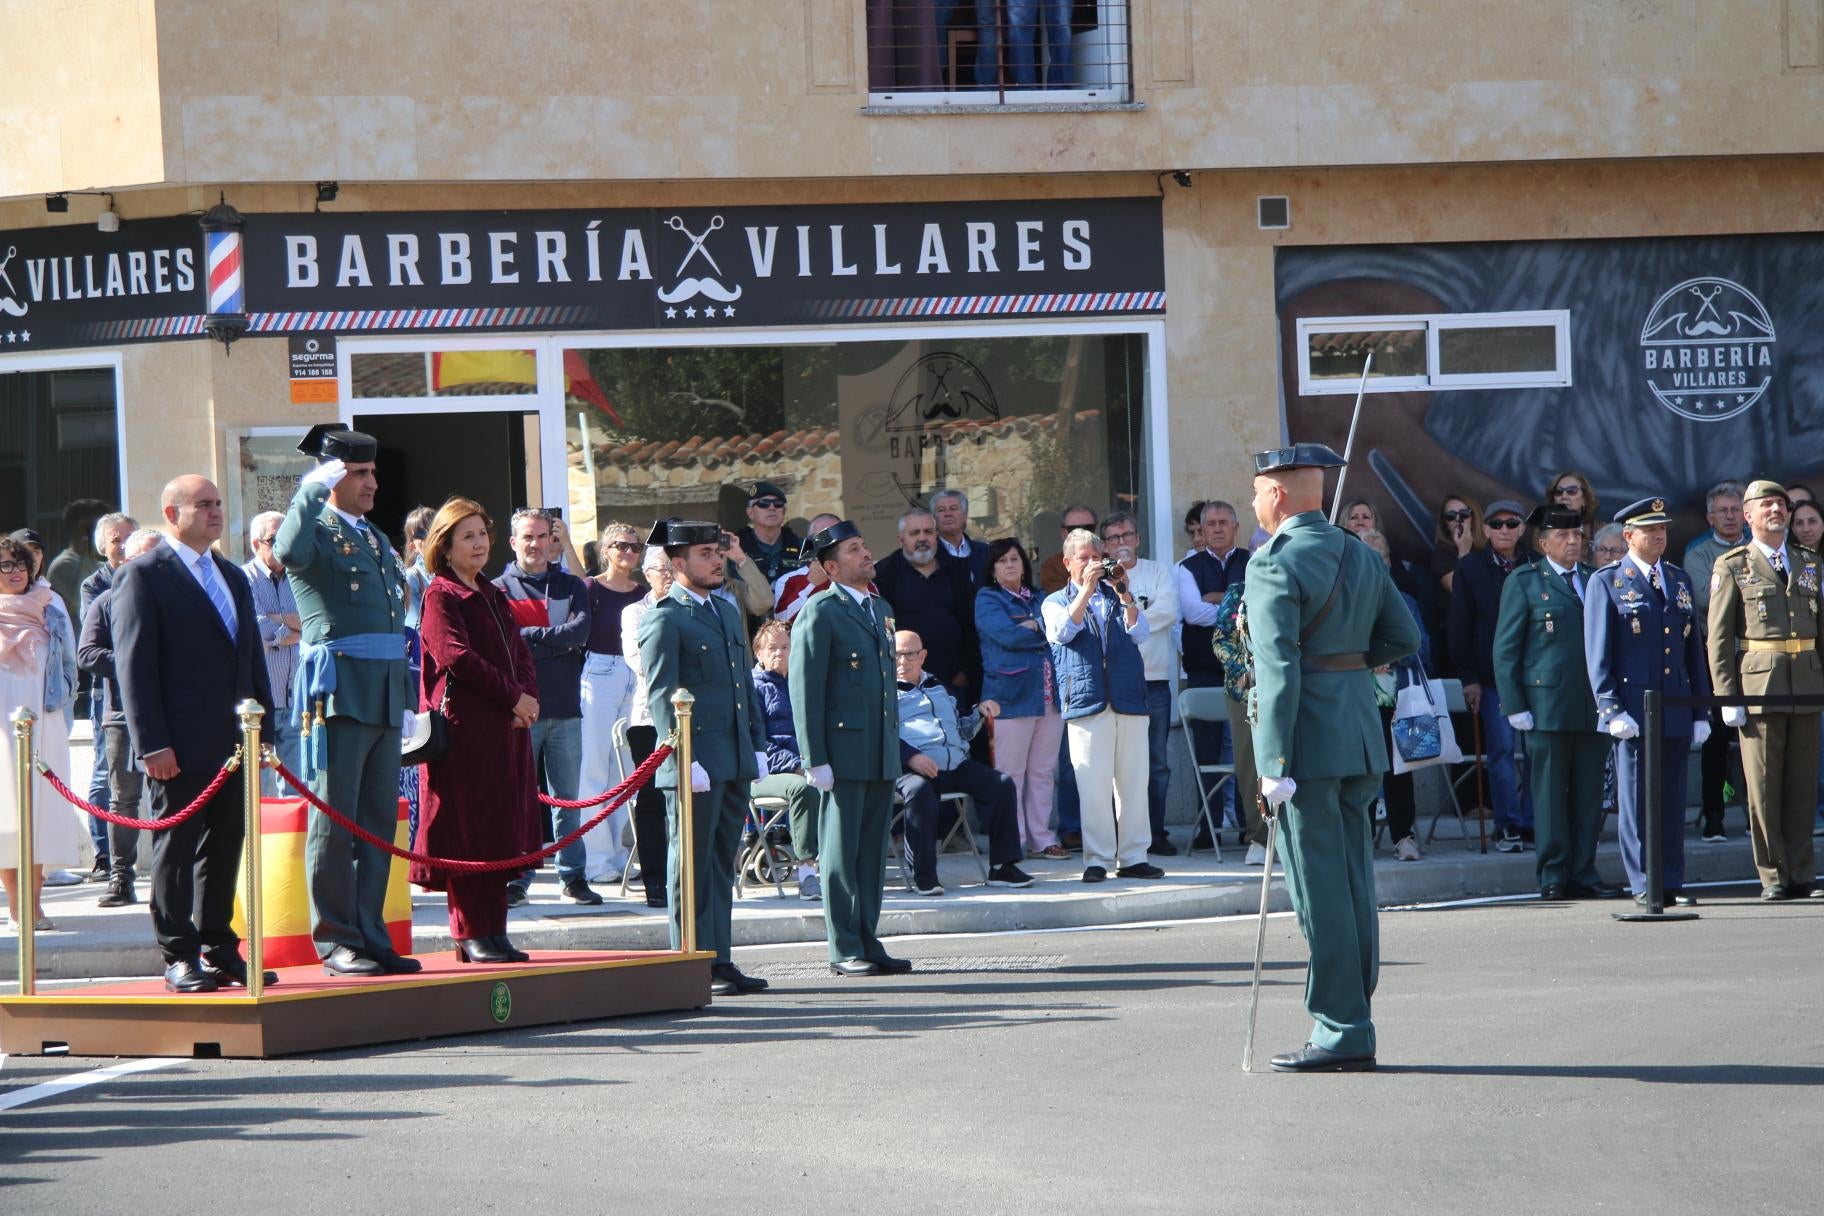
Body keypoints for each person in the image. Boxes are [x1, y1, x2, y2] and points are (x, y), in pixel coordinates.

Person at [1245, 444, 1420, 1072]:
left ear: (1282, 494)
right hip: (1357, 733)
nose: (1255, 501)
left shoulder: (1273, 562)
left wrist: (1272, 764)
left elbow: (1278, 669)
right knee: (1352, 883)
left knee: (1320, 891)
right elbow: (1403, 636)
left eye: (1260, 489)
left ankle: (1343, 1024)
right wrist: (1347, 667)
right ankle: (1355, 1012)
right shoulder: (1356, 550)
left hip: (1307, 747)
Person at [111, 476, 275, 991]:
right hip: (176, 745)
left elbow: (250, 656)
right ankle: (178, 953)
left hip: (232, 742)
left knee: (226, 843)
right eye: (203, 505)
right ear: (171, 513)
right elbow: (134, 667)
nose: (214, 512)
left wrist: (262, 726)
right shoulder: (145, 575)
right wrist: (151, 743)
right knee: (176, 845)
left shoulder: (230, 574)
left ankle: (219, 943)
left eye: (218, 504)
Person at [272, 426, 418, 977]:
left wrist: (403, 695)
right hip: (337, 692)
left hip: (381, 692)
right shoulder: (317, 530)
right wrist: (310, 490)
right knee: (334, 822)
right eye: (358, 473)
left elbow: (391, 622)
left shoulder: (375, 538)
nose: (371, 482)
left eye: (372, 472)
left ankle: (371, 932)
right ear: (332, 476)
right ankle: (336, 937)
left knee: (379, 822)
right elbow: (287, 551)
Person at [637, 518, 770, 997]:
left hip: (731, 756)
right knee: (687, 866)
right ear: (678, 564)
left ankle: (720, 958)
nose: (716, 560)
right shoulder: (665, 616)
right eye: (705, 554)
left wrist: (756, 741)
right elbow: (662, 697)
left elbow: (743, 684)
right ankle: (689, 960)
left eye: (717, 552)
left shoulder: (724, 609)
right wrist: (682, 756)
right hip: (695, 761)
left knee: (720, 863)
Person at [413, 499, 541, 963]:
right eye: (467, 536)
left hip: (507, 731)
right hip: (466, 732)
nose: (479, 543)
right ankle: (470, 932)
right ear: (444, 547)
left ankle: (496, 930)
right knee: (468, 834)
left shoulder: (492, 592)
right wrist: (512, 697)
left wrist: (527, 700)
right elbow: (455, 657)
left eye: (482, 534)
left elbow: (521, 652)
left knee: (499, 831)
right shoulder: (441, 594)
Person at [789, 520, 908, 977]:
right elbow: (805, 689)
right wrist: (813, 758)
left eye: (864, 545)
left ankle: (868, 938)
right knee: (839, 853)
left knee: (872, 852)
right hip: (840, 752)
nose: (865, 554)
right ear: (832, 567)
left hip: (877, 750)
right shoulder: (820, 611)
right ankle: (843, 947)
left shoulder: (881, 608)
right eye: (854, 550)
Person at [1584, 497, 1710, 908]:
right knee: (1637, 802)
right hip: (1634, 711)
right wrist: (1610, 708)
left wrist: (1699, 708)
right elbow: (1597, 654)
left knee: (1672, 799)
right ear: (1628, 536)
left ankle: (1670, 881)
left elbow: (1693, 651)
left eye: (1663, 529)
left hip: (1674, 706)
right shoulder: (1607, 582)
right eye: (1649, 530)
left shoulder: (1678, 579)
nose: (1659, 536)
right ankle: (1643, 881)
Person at [1492, 506, 1619, 900]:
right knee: (1548, 795)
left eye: (1578, 536)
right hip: (1546, 706)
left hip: (1591, 705)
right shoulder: (1525, 581)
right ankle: (1552, 873)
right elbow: (1506, 648)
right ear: (1543, 542)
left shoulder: (1593, 579)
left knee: (1588, 795)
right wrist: (1514, 704)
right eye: (1563, 536)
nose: (1572, 542)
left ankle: (1583, 869)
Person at [1707, 481, 1823, 901]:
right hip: (1760, 685)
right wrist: (1727, 697)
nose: (1776, 510)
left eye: (1781, 504)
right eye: (1766, 504)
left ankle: (1802, 872)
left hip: (1807, 682)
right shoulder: (1733, 564)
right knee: (1764, 785)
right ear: (1749, 515)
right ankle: (1773, 874)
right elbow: (1718, 637)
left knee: (1801, 787)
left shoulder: (1808, 562)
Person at [1043, 527, 1160, 883]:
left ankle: (1134, 856)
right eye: (1085, 558)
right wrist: (1087, 591)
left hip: (1128, 698)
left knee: (1134, 783)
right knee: (1092, 786)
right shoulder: (1055, 601)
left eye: (1098, 557)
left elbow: (1141, 634)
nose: (1094, 564)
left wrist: (1124, 595)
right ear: (1067, 563)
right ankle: (1096, 859)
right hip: (1086, 700)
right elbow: (1062, 632)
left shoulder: (1117, 595)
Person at [496, 508, 598, 906]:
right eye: (528, 537)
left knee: (567, 802)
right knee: (518, 802)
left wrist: (531, 635)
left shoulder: (573, 586)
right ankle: (516, 880)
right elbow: (504, 643)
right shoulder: (497, 589)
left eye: (543, 536)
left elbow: (581, 632)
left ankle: (572, 877)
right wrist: (554, 640)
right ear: (514, 542)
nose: (536, 544)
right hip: (520, 712)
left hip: (566, 709)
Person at [893, 629, 1035, 894]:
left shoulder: (939, 688)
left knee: (1001, 783)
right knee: (919, 791)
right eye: (897, 655)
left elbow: (961, 729)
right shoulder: (883, 693)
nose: (903, 662)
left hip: (954, 763)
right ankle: (924, 876)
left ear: (922, 656)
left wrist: (979, 713)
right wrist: (910, 757)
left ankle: (1002, 867)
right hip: (909, 768)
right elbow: (879, 735)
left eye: (909, 655)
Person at [0, 533, 82, 931]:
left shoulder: (51, 604)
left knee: (40, 812)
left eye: (20, 564)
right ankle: (15, 904)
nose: (15, 572)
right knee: (8, 811)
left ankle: (34, 903)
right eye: (5, 565)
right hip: (2, 727)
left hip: (44, 721)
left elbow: (70, 663)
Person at [77, 527, 162, 907]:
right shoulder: (107, 601)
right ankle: (120, 877)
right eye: (142, 558)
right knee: (123, 799)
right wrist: (132, 664)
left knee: (171, 800)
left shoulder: (179, 599)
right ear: (126, 561)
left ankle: (169, 879)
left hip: (171, 713)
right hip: (121, 714)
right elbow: (88, 654)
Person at [1449, 498, 1535, 852]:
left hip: (1534, 677)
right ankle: (1508, 825)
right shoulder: (1470, 567)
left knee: (1537, 753)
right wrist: (1468, 677)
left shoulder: (1535, 564)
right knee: (1500, 751)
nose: (1504, 530)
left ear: (1522, 529)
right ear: (1484, 530)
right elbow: (1459, 627)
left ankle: (1531, 822)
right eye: (1496, 524)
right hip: (1491, 678)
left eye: (1511, 524)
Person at [1098, 511, 1181, 854]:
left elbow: (1170, 611)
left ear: (1138, 539)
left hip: (1155, 679)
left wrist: (1133, 616)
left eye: (1127, 535)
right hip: (1116, 682)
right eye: (1114, 538)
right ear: (1104, 545)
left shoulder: (1158, 571)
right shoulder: (1100, 579)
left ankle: (1155, 834)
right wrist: (1138, 617)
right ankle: (1120, 837)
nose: (1122, 543)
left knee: (1156, 763)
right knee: (1117, 764)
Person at [975, 538, 1064, 858]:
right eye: (1002, 561)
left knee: (1043, 772)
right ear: (993, 570)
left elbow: (1060, 629)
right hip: (1009, 697)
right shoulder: (987, 598)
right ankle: (1014, 839)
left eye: (1015, 559)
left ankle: (1042, 837)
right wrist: (1041, 629)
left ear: (1025, 565)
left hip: (1049, 696)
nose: (1010, 565)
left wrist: (1033, 624)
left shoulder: (1042, 598)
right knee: (1010, 774)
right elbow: (1007, 635)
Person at [1179, 500, 1252, 852]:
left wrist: (1219, 599)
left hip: (1248, 673)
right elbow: (1193, 613)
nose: (1218, 528)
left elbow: (1259, 605)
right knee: (1207, 753)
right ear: (1203, 531)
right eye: (1211, 524)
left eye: (1224, 522)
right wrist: (1237, 605)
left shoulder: (1253, 562)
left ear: (1236, 527)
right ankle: (1207, 830)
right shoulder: (1187, 568)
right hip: (1204, 671)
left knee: (1247, 751)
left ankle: (1249, 826)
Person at [579, 520, 647, 884]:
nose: (628, 552)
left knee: (624, 768)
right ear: (606, 550)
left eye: (634, 547)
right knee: (593, 765)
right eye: (621, 545)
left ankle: (622, 856)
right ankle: (596, 861)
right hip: (600, 669)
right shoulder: (591, 587)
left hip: (635, 672)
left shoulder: (643, 592)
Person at [1360, 528, 1429, 863]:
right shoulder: (1348, 604)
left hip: (1400, 701)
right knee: (1365, 771)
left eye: (1381, 559)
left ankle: (1404, 837)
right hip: (1361, 702)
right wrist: (1370, 659)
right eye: (1367, 560)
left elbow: (1422, 647)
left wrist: (1393, 656)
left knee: (1401, 772)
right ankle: (1362, 836)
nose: (1376, 566)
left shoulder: (1406, 601)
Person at [1685, 480, 1748, 842]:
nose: (1729, 516)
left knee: (1762, 741)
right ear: (1710, 517)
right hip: (1717, 659)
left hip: (1756, 657)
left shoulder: (1758, 549)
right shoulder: (1698, 554)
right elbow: (1705, 600)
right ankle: (1714, 818)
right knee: (1716, 742)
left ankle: (1760, 819)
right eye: (1722, 510)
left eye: (1735, 509)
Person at [76, 510, 137, 882]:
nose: (123, 546)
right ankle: (106, 855)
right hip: (108, 693)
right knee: (106, 775)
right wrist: (136, 657)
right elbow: (94, 643)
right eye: (116, 540)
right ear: (103, 547)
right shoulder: (95, 586)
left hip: (152, 696)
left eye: (129, 538)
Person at [873, 507, 977, 698]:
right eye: (914, 533)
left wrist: (964, 673)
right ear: (901, 538)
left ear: (936, 535)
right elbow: (883, 627)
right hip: (904, 684)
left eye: (928, 532)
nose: (922, 538)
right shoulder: (884, 573)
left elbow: (971, 625)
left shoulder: (957, 571)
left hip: (954, 682)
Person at [750, 620, 820, 900]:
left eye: (785, 647)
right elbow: (757, 742)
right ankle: (807, 872)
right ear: (759, 654)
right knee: (803, 788)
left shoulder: (803, 683)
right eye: (772, 648)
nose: (779, 653)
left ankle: (845, 866)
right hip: (765, 772)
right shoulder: (752, 688)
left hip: (808, 764)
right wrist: (795, 765)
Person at [621, 544, 674, 908]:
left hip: (692, 714)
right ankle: (655, 880)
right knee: (653, 800)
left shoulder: (690, 605)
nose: (668, 574)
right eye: (661, 569)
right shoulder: (634, 612)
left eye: (673, 567)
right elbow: (637, 659)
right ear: (647, 574)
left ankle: (686, 876)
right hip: (649, 717)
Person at [241, 510, 304, 796]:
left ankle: (291, 843)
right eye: (273, 540)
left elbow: (313, 623)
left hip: (296, 700)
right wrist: (290, 630)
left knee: (295, 788)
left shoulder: (301, 578)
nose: (282, 546)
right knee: (256, 790)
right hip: (259, 704)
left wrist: (278, 623)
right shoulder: (243, 579)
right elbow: (257, 630)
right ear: (256, 544)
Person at [771, 512, 844, 623]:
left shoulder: (858, 573)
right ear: (811, 542)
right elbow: (781, 622)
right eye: (821, 537)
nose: (829, 543)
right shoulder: (788, 580)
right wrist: (811, 584)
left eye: (834, 535)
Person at [736, 480, 802, 586]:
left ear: (783, 512)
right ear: (750, 513)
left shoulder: (801, 546)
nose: (772, 508)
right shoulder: (737, 548)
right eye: (763, 504)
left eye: (778, 504)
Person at [930, 489, 991, 587]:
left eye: (953, 508)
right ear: (933, 518)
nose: (947, 514)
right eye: (941, 510)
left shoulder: (984, 552)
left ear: (965, 515)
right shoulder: (929, 555)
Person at [1039, 504, 1097, 596]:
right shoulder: (1051, 567)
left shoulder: (1107, 560)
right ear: (1063, 533)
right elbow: (1065, 600)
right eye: (1074, 529)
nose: (1082, 534)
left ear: (1095, 530)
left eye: (1088, 528)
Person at [1543, 470, 1600, 539]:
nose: (1564, 496)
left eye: (1571, 491)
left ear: (1584, 499)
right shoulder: (1538, 532)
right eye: (1559, 492)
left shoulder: (1600, 531)